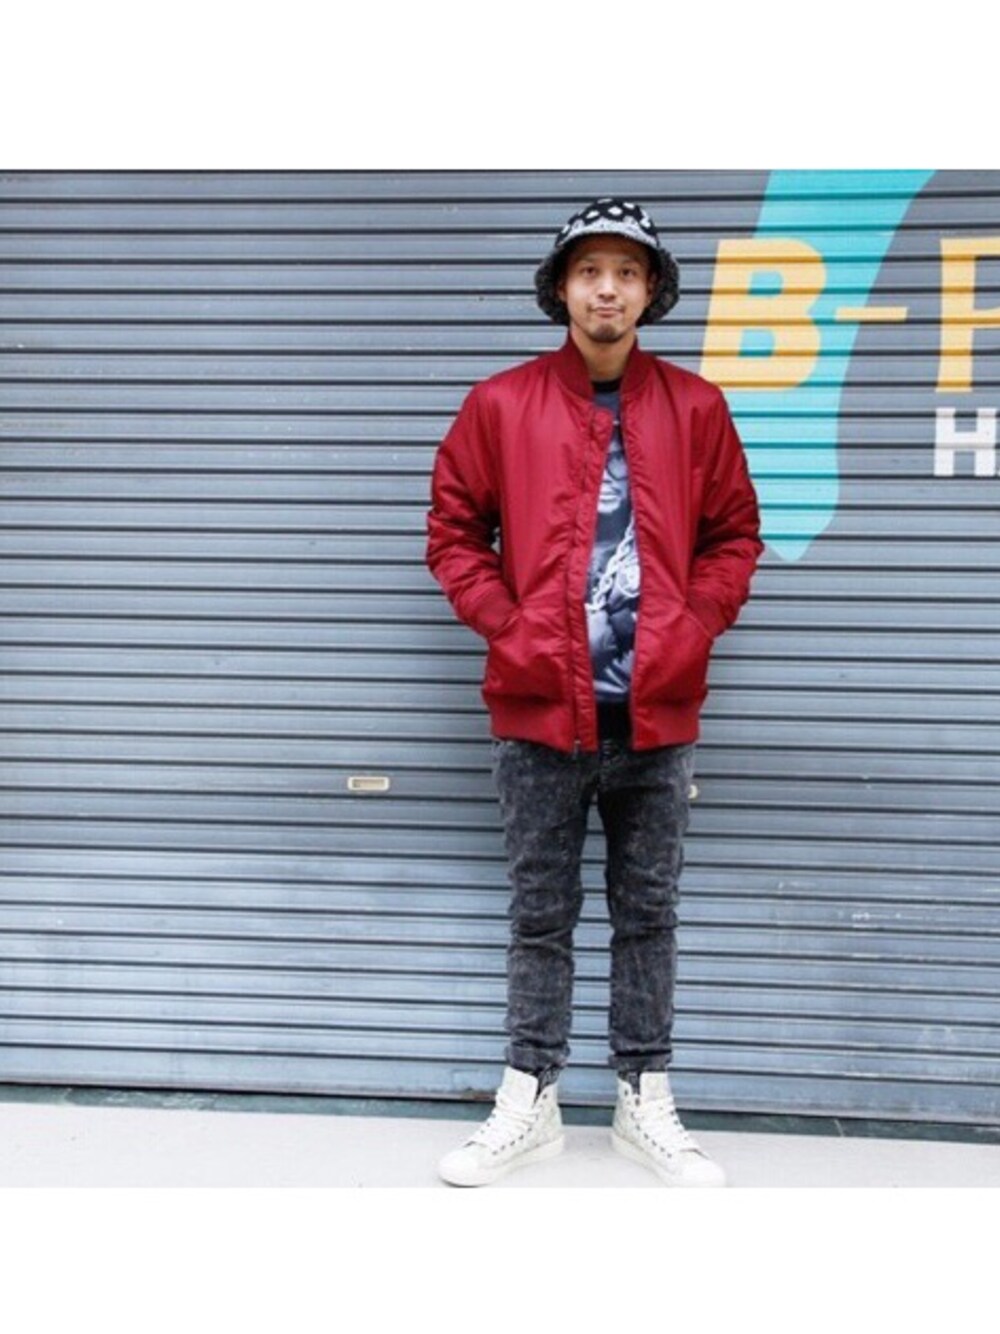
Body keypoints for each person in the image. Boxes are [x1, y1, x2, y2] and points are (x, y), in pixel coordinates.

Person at [425, 197, 763, 1187]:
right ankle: (528, 1099)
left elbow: (734, 537)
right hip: (538, 712)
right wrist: (514, 627)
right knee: (539, 916)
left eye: (625, 271)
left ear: (651, 290)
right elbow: (453, 532)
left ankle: (642, 1098)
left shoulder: (696, 409)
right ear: (562, 288)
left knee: (647, 915)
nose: (606, 289)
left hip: (656, 717)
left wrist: (690, 625)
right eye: (588, 271)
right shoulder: (501, 404)